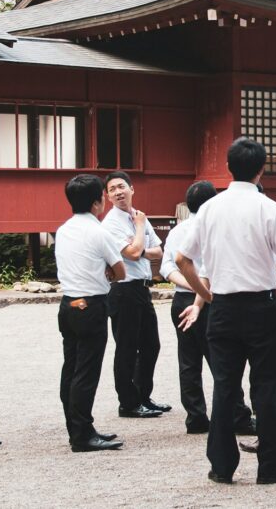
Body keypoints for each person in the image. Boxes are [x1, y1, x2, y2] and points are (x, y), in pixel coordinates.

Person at [175, 137, 276, 485]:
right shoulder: (269, 208)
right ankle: (270, 466)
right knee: (266, 385)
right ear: (262, 169)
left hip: (224, 307)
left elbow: (181, 259)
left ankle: (221, 465)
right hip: (262, 305)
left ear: (228, 167)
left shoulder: (209, 209)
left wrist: (205, 293)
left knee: (225, 386)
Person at [161, 181, 255, 436]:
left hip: (181, 299)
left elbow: (167, 267)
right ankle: (238, 415)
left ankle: (196, 417)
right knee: (223, 361)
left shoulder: (177, 231)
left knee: (188, 360)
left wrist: (189, 285)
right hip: (212, 298)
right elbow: (218, 266)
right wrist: (200, 291)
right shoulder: (216, 227)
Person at [54, 174, 126, 452]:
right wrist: (105, 274)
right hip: (92, 304)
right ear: (98, 202)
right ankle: (83, 434)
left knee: (71, 368)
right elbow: (120, 270)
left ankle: (77, 428)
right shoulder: (99, 232)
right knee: (87, 371)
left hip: (68, 302)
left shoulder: (63, 230)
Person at [101, 171, 168, 418]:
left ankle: (143, 396)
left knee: (151, 344)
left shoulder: (138, 215)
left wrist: (138, 246)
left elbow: (158, 252)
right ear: (107, 196)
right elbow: (131, 252)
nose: (118, 192)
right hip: (123, 289)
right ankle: (128, 403)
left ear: (132, 188)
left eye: (122, 186)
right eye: (112, 189)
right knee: (127, 347)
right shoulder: (112, 222)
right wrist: (139, 235)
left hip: (141, 287)